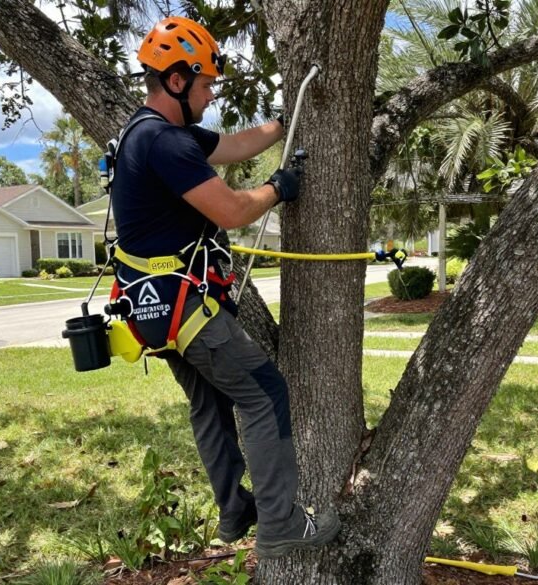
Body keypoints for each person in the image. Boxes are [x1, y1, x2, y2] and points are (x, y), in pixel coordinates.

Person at [109, 16, 340, 558]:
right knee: (264, 393)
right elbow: (232, 211)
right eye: (206, 84)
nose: (211, 95)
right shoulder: (165, 142)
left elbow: (235, 145)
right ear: (176, 81)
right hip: (185, 307)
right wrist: (277, 188)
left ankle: (235, 510)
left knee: (210, 402)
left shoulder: (147, 133)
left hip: (151, 309)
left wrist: (285, 122)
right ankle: (281, 523)